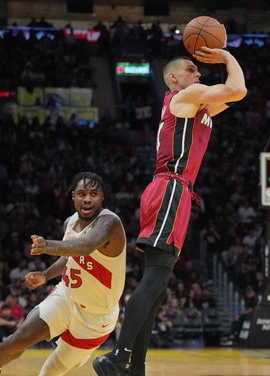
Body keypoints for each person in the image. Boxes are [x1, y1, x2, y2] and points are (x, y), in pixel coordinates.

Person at [92, 46, 246, 376]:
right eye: (193, 69)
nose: (199, 74)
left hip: (171, 190)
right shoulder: (185, 96)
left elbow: (234, 96)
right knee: (156, 277)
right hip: (171, 188)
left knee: (158, 288)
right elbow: (238, 87)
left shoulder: (194, 105)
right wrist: (224, 55)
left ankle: (136, 368)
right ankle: (118, 356)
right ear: (175, 78)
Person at [0, 171, 127, 376]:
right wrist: (46, 275)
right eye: (82, 193)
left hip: (95, 317)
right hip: (66, 296)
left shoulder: (110, 222)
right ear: (73, 196)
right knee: (20, 337)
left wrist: (47, 245)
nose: (88, 199)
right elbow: (70, 255)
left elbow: (85, 246)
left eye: (94, 194)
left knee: (48, 373)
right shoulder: (70, 222)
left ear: (103, 197)